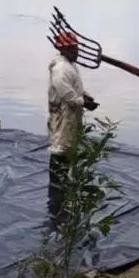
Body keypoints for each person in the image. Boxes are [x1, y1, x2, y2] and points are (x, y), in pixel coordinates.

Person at [47, 31, 99, 219]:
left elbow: (75, 87)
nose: (77, 51)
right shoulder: (61, 68)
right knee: (60, 147)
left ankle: (63, 183)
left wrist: (85, 95)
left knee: (69, 147)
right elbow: (66, 93)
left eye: (77, 48)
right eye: (74, 48)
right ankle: (56, 188)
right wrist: (83, 102)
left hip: (71, 113)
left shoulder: (71, 66)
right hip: (63, 113)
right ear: (65, 49)